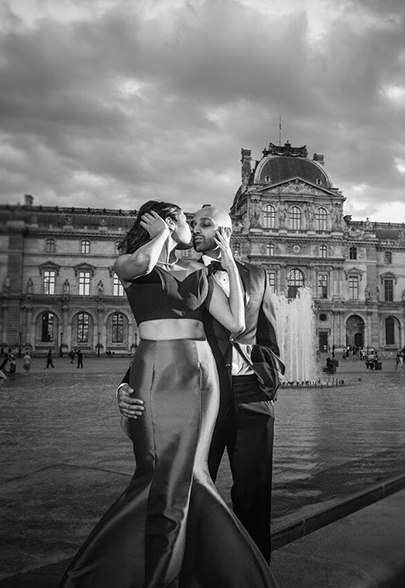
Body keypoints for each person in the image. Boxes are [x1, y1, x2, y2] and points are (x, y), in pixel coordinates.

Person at [60, 200, 275, 587]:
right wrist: (161, 233)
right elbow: (142, 268)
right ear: (161, 223)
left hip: (212, 382)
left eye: (201, 222)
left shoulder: (214, 273)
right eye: (185, 220)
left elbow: (242, 324)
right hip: (160, 374)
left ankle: (218, 570)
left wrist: (226, 257)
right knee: (162, 472)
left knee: (216, 484)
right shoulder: (133, 264)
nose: (192, 226)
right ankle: (164, 569)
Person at [116, 204, 283, 564]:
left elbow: (266, 334)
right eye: (194, 223)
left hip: (252, 397)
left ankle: (254, 573)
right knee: (187, 486)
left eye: (206, 223)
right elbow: (161, 338)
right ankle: (186, 568)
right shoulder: (185, 272)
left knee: (255, 497)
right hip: (200, 397)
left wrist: (270, 379)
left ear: (227, 231)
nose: (197, 228)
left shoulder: (256, 275)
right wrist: (127, 386)